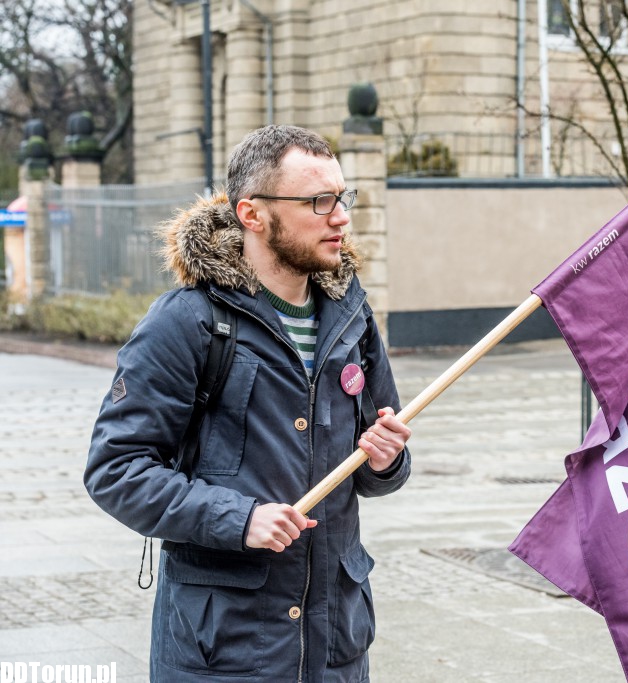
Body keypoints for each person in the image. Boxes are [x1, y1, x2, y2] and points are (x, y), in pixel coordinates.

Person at [84, 125, 412, 682]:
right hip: (225, 652)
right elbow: (115, 470)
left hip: (334, 647)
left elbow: (381, 467)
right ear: (252, 214)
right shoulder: (187, 322)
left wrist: (386, 459)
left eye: (342, 197)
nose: (341, 217)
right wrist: (239, 518)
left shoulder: (350, 318)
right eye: (318, 201)